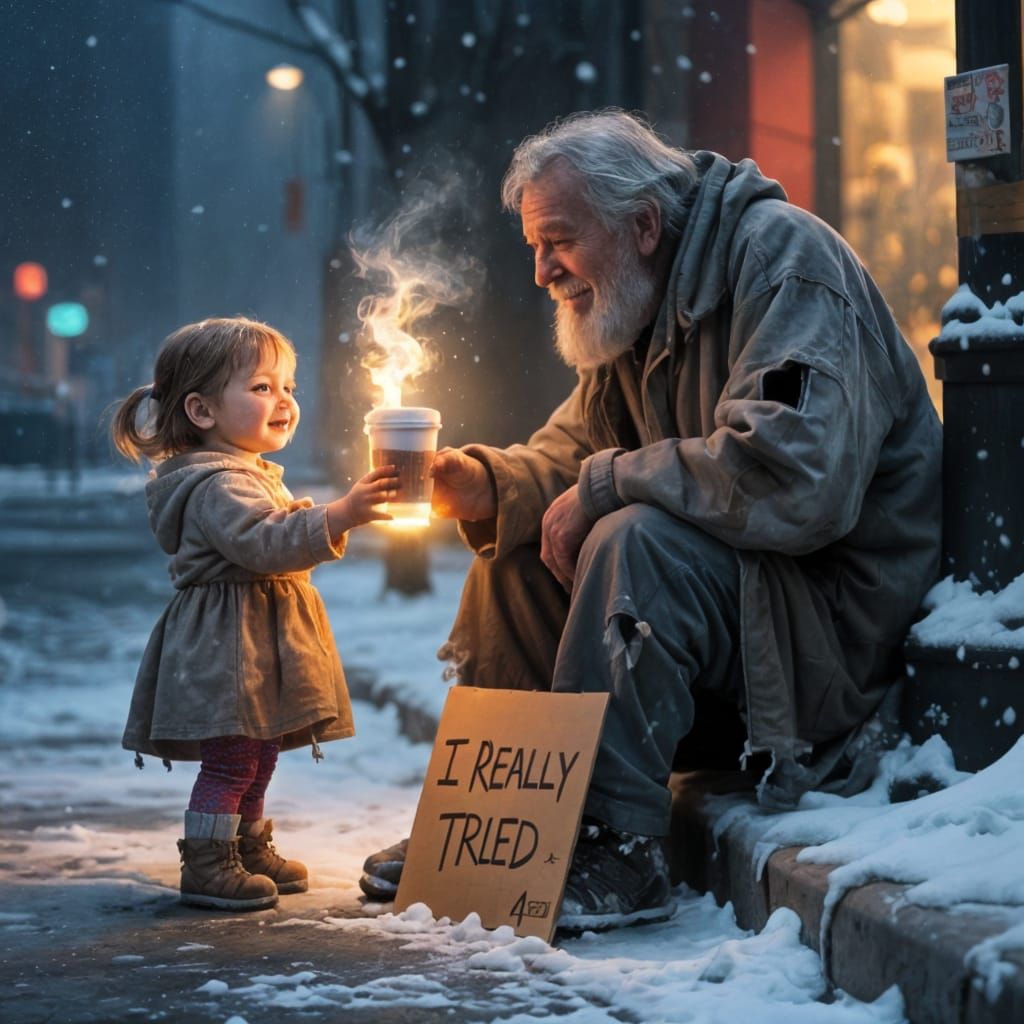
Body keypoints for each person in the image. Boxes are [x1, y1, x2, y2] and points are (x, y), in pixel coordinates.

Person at [361, 110, 943, 931]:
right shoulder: (635, 303)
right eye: (534, 246)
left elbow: (794, 478)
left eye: (558, 240)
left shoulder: (786, 262)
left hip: (824, 642)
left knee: (634, 539)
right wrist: (489, 484)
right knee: (520, 545)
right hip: (743, 626)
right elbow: (574, 453)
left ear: (641, 225)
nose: (541, 271)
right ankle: (500, 830)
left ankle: (617, 849)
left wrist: (604, 487)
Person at [112, 317, 399, 912]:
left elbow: (269, 534)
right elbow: (266, 542)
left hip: (249, 639)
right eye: (262, 387)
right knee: (234, 755)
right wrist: (339, 514)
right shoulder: (218, 483)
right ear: (202, 410)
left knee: (258, 750)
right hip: (227, 644)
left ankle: (244, 843)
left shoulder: (246, 474)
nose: (284, 400)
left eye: (288, 387)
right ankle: (209, 861)